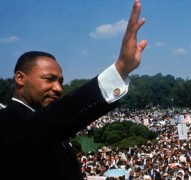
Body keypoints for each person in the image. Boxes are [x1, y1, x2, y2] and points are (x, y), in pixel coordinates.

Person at [0, 0, 147, 179]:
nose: (58, 88)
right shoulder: (8, 123)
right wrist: (120, 69)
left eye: (60, 81)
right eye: (49, 79)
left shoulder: (48, 130)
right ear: (20, 78)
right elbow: (57, 117)